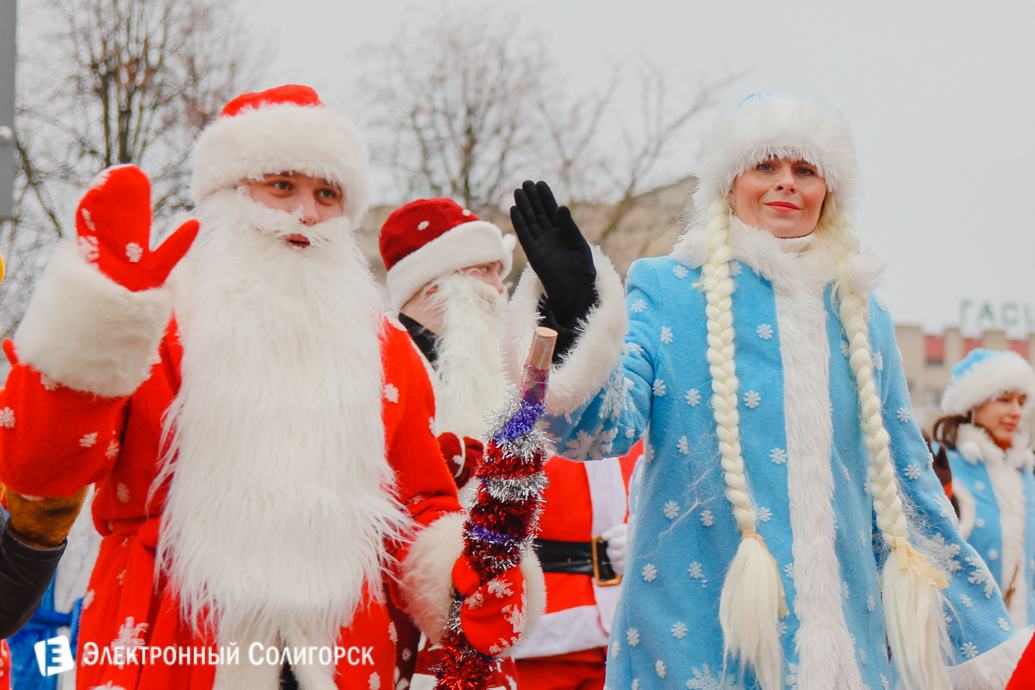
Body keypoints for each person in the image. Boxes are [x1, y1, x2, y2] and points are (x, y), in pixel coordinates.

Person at [0, 85, 543, 690]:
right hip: (170, 640)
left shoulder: (388, 351)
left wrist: (465, 574)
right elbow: (41, 471)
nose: (306, 214)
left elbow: (421, 504)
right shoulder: (155, 325)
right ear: (228, 193)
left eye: (327, 193)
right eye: (282, 185)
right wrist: (95, 334)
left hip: (344, 650)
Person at [503, 93, 1028, 690]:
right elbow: (599, 434)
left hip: (845, 648)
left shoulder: (864, 316)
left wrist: (984, 644)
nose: (786, 185)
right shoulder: (669, 288)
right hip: (698, 633)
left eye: (805, 171)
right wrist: (579, 317)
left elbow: (908, 482)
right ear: (731, 183)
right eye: (766, 167)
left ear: (829, 192)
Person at [379, 198, 638, 690]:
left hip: (558, 625)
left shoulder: (505, 373)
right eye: (482, 272)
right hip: (448, 622)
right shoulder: (394, 371)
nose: (500, 290)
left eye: (502, 273)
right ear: (431, 284)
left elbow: (594, 440)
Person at [931, 348, 1035, 627]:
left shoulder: (1025, 473)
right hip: (964, 641)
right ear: (972, 402)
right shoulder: (940, 466)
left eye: (1021, 401)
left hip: (1024, 641)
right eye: (1004, 399)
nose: (1016, 411)